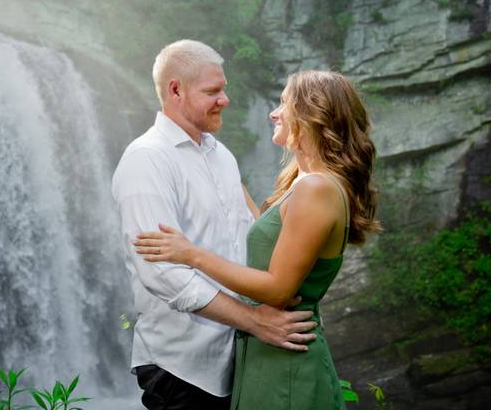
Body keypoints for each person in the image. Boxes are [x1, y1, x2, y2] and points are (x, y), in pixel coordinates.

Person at [134, 70, 380, 410]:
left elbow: (278, 288)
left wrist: (191, 254)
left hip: (286, 362)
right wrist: (206, 155)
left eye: (284, 103)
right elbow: (256, 224)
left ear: (314, 113)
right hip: (268, 353)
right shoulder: (304, 182)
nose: (274, 112)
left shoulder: (317, 188)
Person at [112, 40, 319, 410]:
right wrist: (255, 321)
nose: (224, 99)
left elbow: (246, 237)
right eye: (213, 91)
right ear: (175, 89)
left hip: (239, 356)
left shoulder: (220, 154)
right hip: (182, 367)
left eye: (223, 89)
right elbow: (161, 274)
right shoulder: (147, 160)